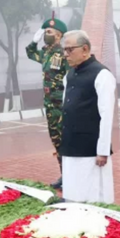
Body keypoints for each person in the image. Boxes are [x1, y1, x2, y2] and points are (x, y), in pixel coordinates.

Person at [60, 30, 116, 204]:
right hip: (70, 145)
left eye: (70, 50)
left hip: (91, 150)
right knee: (72, 193)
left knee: (93, 197)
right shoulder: (69, 75)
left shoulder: (101, 74)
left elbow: (106, 115)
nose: (65, 54)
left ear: (85, 49)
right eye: (64, 50)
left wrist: (102, 150)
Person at [27, 13, 70, 190]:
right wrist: (33, 42)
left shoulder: (63, 54)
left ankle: (70, 176)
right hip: (50, 105)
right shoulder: (45, 53)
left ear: (59, 35)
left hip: (61, 105)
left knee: (64, 141)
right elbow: (30, 53)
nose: (46, 34)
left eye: (49, 31)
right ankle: (65, 174)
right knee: (57, 142)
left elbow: (71, 77)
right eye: (45, 31)